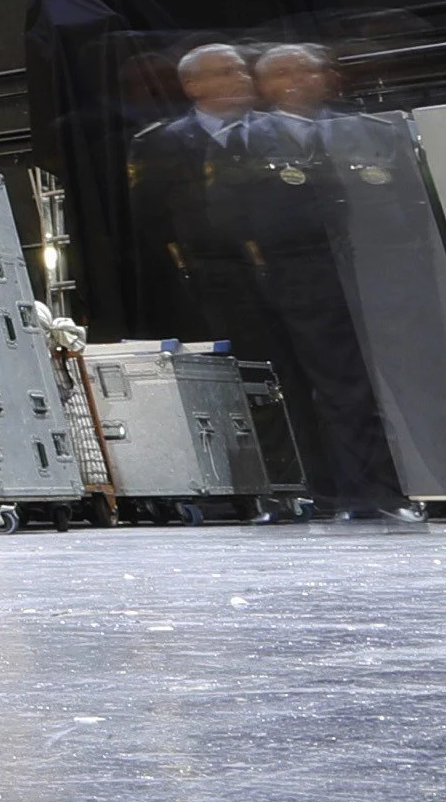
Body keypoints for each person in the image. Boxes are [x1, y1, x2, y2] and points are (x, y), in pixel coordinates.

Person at [235, 44, 412, 517]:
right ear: (260, 86)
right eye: (279, 72)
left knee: (417, 377)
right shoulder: (245, 141)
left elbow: (410, 201)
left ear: (329, 78)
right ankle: (369, 492)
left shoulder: (372, 130)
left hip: (383, 268)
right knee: (340, 386)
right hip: (304, 274)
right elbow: (236, 216)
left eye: (304, 70)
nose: (293, 79)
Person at [126, 43, 268, 342]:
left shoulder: (276, 130)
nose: (242, 78)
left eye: (243, 70)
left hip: (292, 265)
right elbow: (150, 215)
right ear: (193, 85)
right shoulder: (161, 143)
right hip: (217, 273)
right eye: (227, 72)